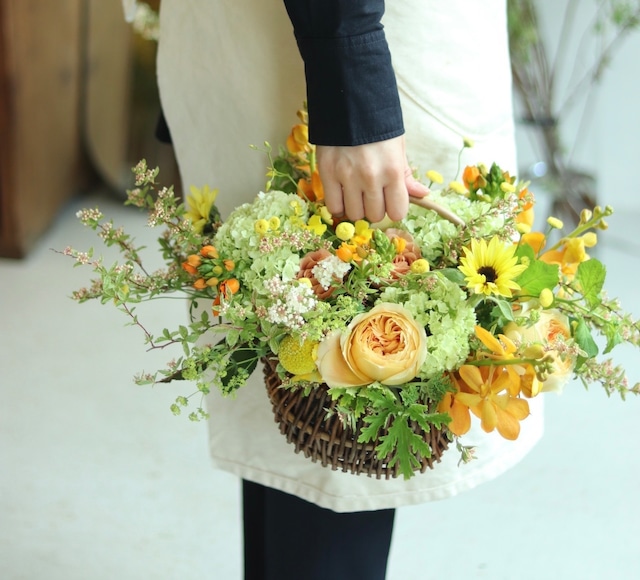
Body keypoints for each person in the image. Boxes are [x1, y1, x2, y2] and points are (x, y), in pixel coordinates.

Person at [146, 1, 544, 578]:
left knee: (293, 423)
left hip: (321, 45)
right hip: (350, 60)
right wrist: (353, 91)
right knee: (331, 448)